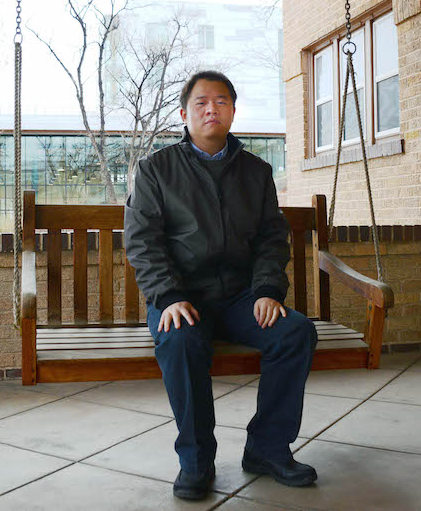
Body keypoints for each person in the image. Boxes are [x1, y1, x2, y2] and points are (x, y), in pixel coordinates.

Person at [124, 71, 319, 501]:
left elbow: (272, 237)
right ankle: (196, 460)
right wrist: (169, 298)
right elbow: (142, 243)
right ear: (184, 113)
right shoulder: (156, 170)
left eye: (221, 101)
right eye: (201, 102)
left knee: (295, 333)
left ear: (233, 109)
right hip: (181, 298)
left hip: (239, 297)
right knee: (180, 341)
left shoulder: (256, 172)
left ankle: (268, 449)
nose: (212, 108)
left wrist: (267, 290)